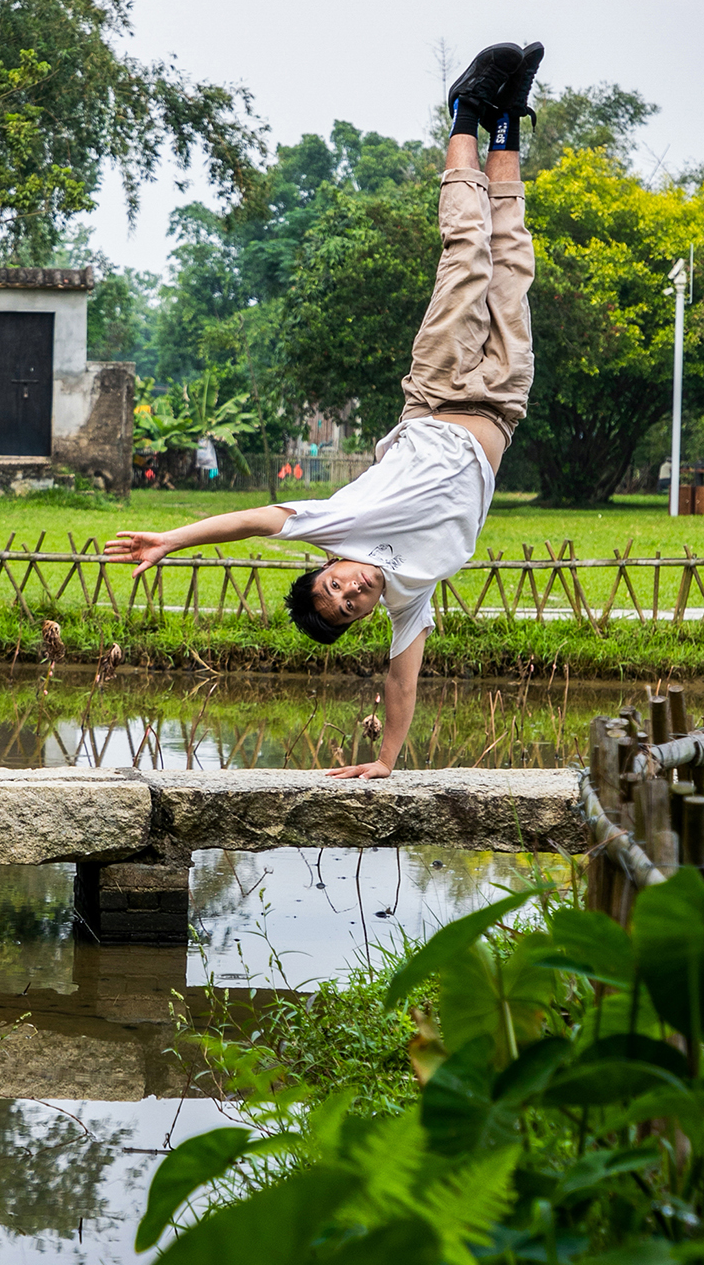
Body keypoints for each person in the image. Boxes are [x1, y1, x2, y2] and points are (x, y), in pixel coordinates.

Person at [104, 40, 542, 782]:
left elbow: (248, 522)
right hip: (501, 404)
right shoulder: (409, 597)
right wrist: (385, 759)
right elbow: (400, 681)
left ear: (329, 566)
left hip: (437, 395)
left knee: (469, 254)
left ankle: (466, 112)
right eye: (349, 609)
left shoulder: (333, 527)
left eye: (334, 589)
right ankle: (508, 126)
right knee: (515, 258)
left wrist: (170, 540)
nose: (350, 592)